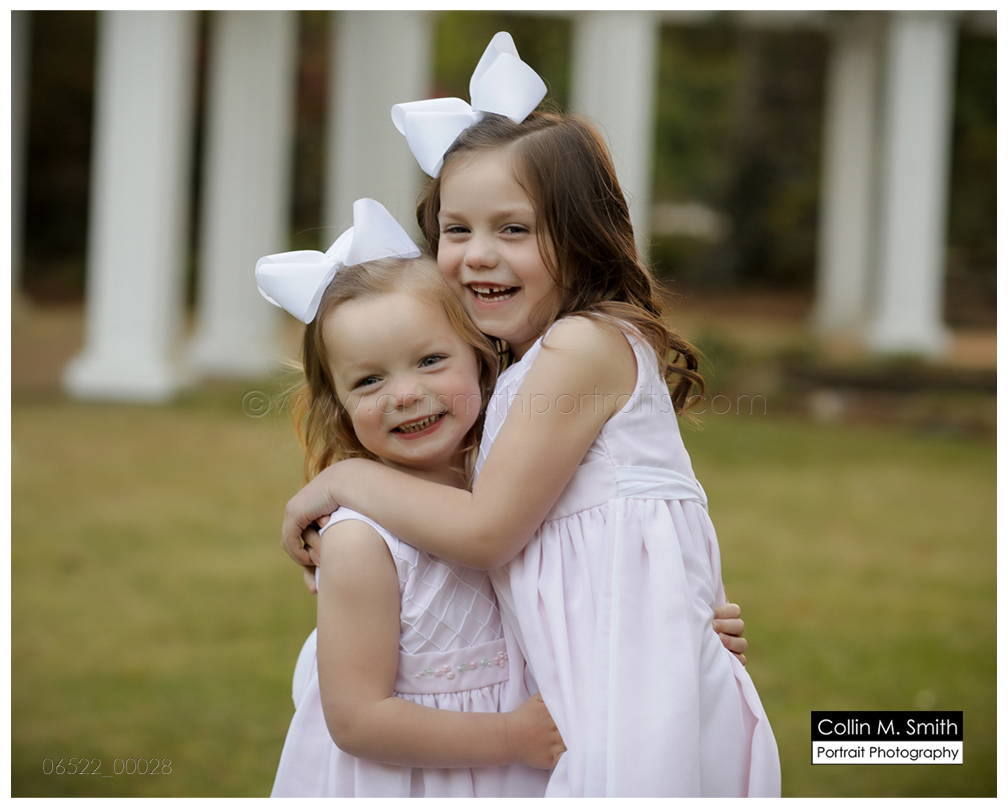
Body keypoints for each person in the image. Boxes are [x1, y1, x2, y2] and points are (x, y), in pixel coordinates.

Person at [281, 34, 779, 796]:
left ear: (579, 236)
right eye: (457, 230)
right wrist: (678, 609)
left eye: (512, 229)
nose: (478, 254)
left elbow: (487, 532)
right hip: (603, 680)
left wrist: (342, 480)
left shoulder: (583, 346)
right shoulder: (522, 372)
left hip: (629, 694)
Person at [263, 198, 561, 797]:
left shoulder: (512, 490)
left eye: (430, 360)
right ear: (339, 407)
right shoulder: (360, 542)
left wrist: (681, 621)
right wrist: (511, 737)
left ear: (481, 360)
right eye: (369, 379)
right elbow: (357, 720)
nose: (404, 394)